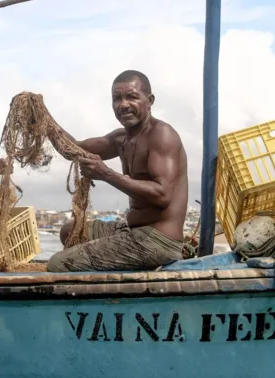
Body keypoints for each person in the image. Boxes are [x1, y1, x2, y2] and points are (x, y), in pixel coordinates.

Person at [47, 70, 188, 272]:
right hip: (131, 230)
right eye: (116, 99)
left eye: (132, 97)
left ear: (149, 100)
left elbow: (162, 195)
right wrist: (45, 122)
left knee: (57, 264)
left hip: (159, 240)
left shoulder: (161, 134)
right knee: (69, 231)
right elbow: (74, 149)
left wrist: (106, 174)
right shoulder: (120, 138)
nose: (123, 105)